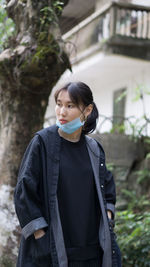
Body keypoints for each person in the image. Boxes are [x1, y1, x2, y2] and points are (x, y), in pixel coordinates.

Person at [14, 82, 121, 267]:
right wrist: (41, 237)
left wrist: (109, 217)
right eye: (59, 103)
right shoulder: (42, 143)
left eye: (70, 105)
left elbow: (107, 186)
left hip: (92, 252)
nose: (61, 111)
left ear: (87, 110)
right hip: (52, 249)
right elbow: (24, 191)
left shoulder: (94, 149)